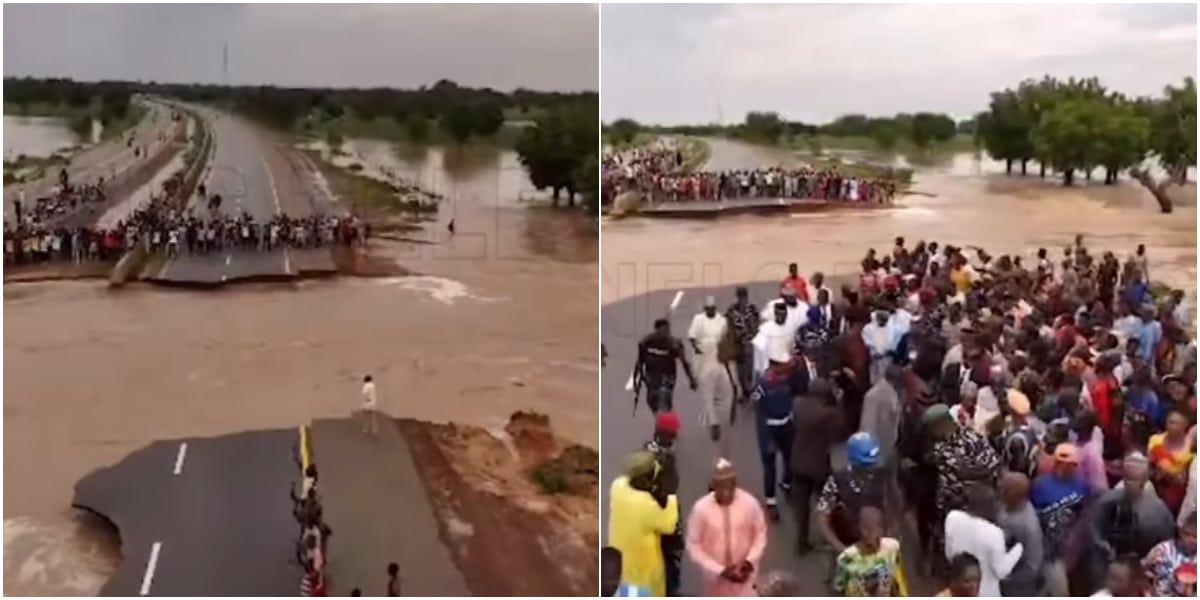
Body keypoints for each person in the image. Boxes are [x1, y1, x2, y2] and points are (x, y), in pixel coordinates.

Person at [685, 458, 768, 597]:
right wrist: (719, 570)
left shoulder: (750, 504)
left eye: (729, 485)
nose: (725, 491)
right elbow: (693, 544)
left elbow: (760, 533)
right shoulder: (701, 509)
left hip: (745, 579)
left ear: (735, 482)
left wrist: (749, 562)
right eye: (720, 486)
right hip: (715, 583)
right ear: (712, 485)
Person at [608, 451, 679, 596]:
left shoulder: (618, 486)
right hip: (640, 577)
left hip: (619, 570)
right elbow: (669, 525)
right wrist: (671, 495)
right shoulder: (646, 506)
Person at [1090, 452, 1176, 568]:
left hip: (1142, 564)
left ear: (1144, 480)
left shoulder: (1158, 512)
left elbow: (1165, 543)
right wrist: (1104, 547)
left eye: (1135, 479)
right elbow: (1094, 528)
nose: (1130, 483)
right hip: (1109, 561)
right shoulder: (1107, 502)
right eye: (1127, 478)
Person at [1030, 442, 1091, 596]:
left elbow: (1083, 515)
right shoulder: (1040, 485)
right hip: (1047, 549)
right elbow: (1033, 516)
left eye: (1069, 464)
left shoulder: (1081, 486)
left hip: (1071, 546)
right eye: (1060, 463)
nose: (1064, 467)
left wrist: (1076, 540)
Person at [791, 379, 843, 554]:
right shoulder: (828, 414)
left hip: (798, 461)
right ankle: (828, 536)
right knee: (825, 502)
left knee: (802, 505)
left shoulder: (798, 404)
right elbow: (839, 433)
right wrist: (837, 401)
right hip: (818, 466)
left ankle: (801, 541)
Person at [817, 432, 888, 559]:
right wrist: (840, 548)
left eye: (872, 464)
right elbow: (823, 517)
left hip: (876, 548)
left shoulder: (882, 477)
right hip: (846, 545)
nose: (870, 469)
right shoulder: (837, 481)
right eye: (865, 465)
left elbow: (892, 510)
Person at [944, 484, 1022, 597]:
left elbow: (949, 555)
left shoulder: (953, 518)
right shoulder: (994, 533)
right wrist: (1018, 548)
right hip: (985, 592)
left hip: (960, 586)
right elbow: (1001, 571)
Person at [749, 346, 796, 520]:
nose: (788, 369)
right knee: (769, 466)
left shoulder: (788, 379)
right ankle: (771, 502)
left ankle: (787, 484)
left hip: (787, 424)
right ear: (774, 365)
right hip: (769, 427)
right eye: (784, 365)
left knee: (790, 458)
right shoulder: (762, 385)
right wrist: (765, 438)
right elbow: (758, 413)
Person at [832, 506, 908, 597]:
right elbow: (838, 590)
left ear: (882, 529)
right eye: (866, 528)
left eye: (875, 528)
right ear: (859, 528)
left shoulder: (892, 549)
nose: (871, 533)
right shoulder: (847, 558)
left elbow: (900, 581)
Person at [690, 296, 733, 441]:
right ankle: (714, 423)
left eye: (712, 309)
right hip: (705, 360)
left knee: (727, 390)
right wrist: (697, 349)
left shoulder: (722, 320)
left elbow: (726, 339)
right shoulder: (698, 320)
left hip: (719, 360)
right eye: (708, 309)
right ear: (705, 309)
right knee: (708, 394)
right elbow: (692, 337)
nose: (710, 311)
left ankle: (721, 416)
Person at [995, 472, 1044, 596]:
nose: (1000, 490)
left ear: (1014, 494)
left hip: (1017, 588)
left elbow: (1033, 565)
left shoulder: (1029, 526)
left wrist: (1006, 578)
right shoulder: (1003, 504)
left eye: (1004, 488)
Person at [634, 319, 697, 415]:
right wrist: (636, 378)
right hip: (651, 376)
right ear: (656, 330)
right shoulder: (646, 342)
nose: (666, 332)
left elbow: (684, 362)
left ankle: (666, 424)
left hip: (667, 376)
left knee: (664, 399)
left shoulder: (674, 343)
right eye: (663, 330)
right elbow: (640, 361)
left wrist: (691, 379)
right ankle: (662, 420)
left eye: (667, 330)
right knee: (651, 400)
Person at [1147, 409, 1194, 515]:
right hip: (1154, 488)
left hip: (1177, 495)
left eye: (1176, 423)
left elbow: (1187, 478)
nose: (1171, 426)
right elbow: (1147, 465)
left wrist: (1174, 477)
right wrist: (1154, 473)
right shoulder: (1155, 440)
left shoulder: (1191, 447)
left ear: (1185, 425)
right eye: (1169, 422)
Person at [1140, 516, 1196, 597]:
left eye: (1195, 537)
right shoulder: (1162, 550)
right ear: (1180, 532)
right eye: (1187, 534)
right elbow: (1143, 569)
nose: (1191, 540)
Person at [725, 286, 760, 402]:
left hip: (750, 344)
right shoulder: (732, 311)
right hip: (738, 345)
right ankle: (745, 390)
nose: (743, 300)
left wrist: (754, 336)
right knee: (740, 371)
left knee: (749, 369)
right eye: (740, 297)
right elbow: (729, 326)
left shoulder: (752, 309)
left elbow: (757, 323)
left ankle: (749, 389)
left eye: (744, 297)